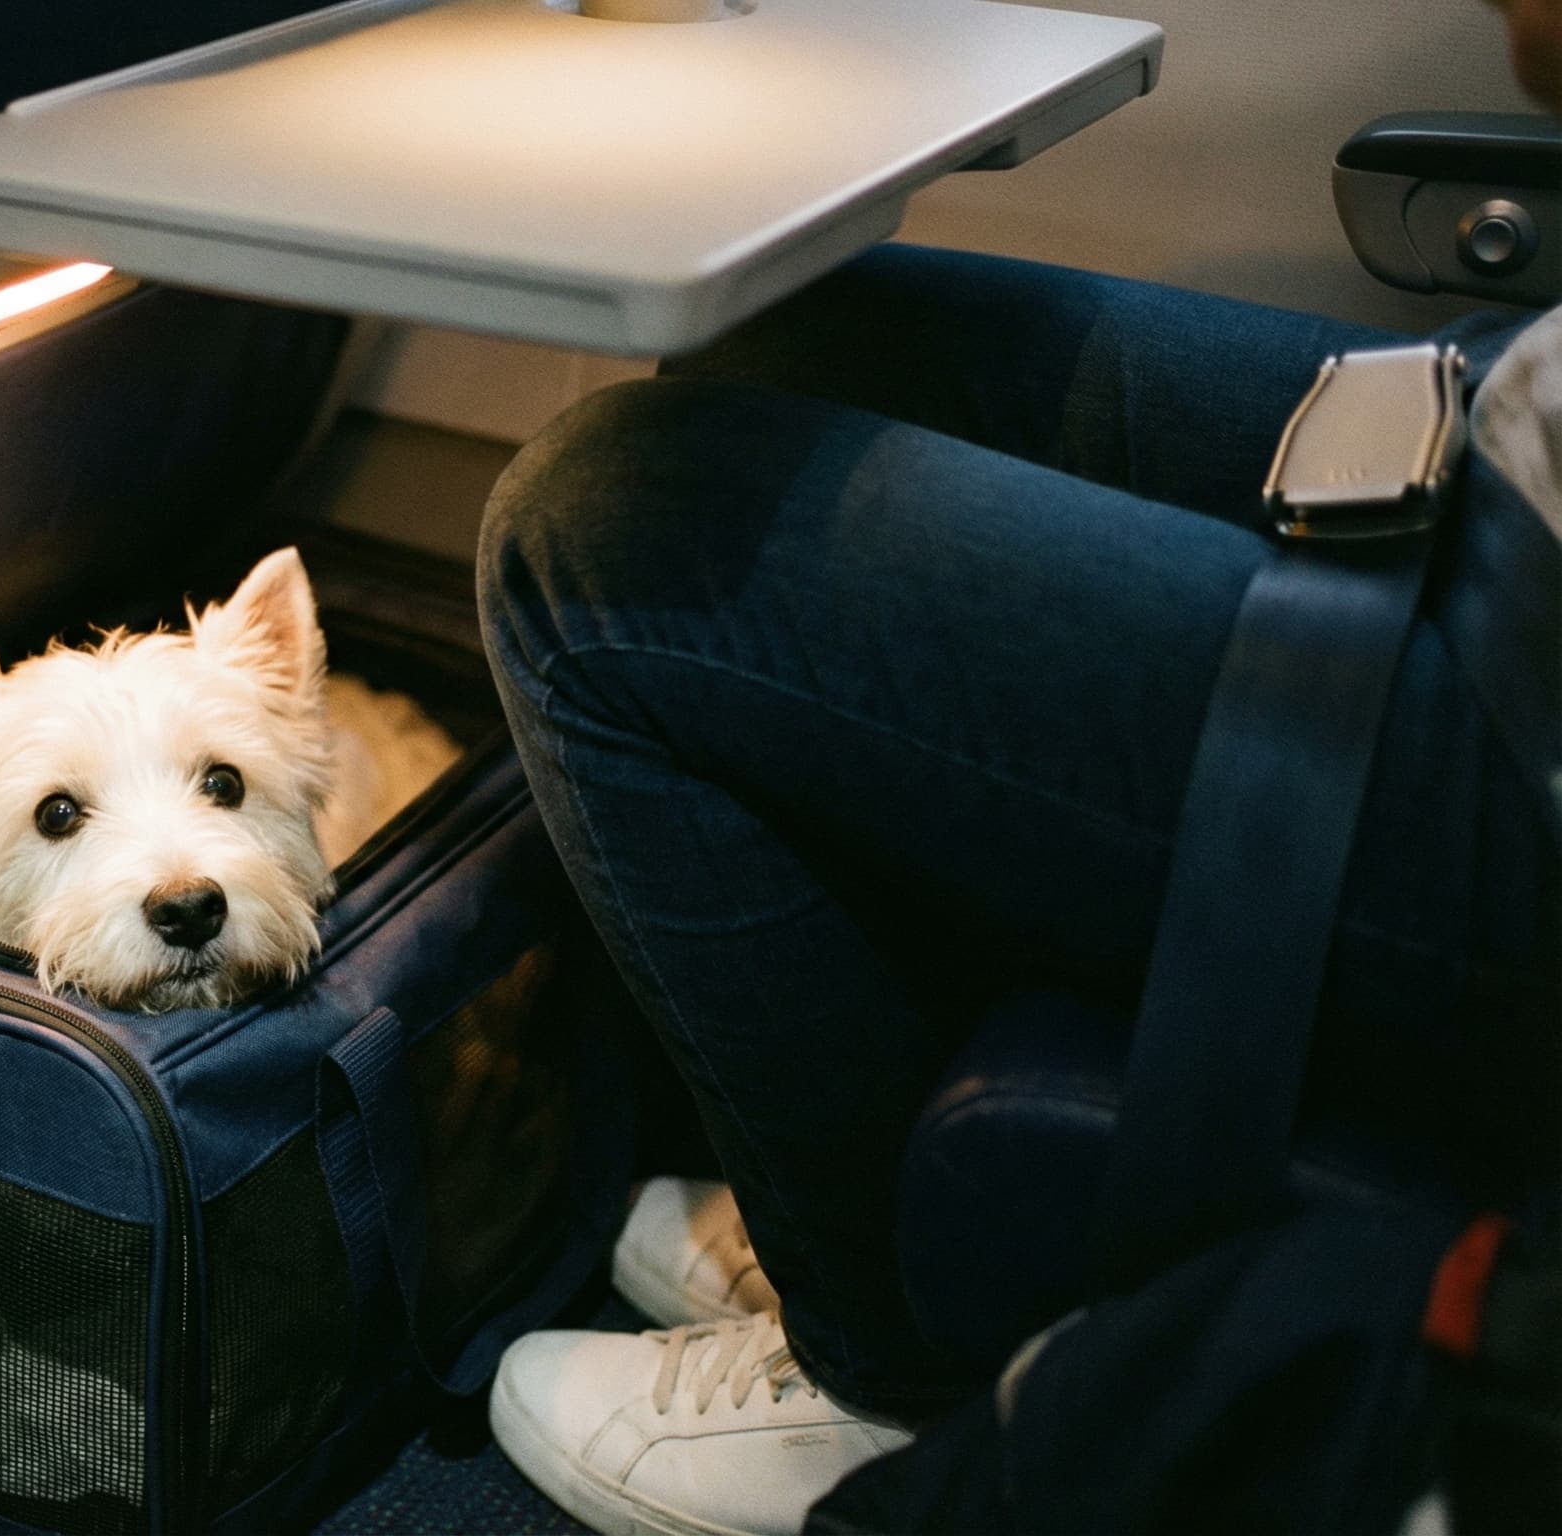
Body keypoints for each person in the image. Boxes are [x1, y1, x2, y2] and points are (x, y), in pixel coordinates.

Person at [477, 4, 1562, 1532]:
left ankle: (886, 1376)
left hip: (1535, 727)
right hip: (1525, 427)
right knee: (799, 341)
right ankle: (865, 1212)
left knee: (585, 541)